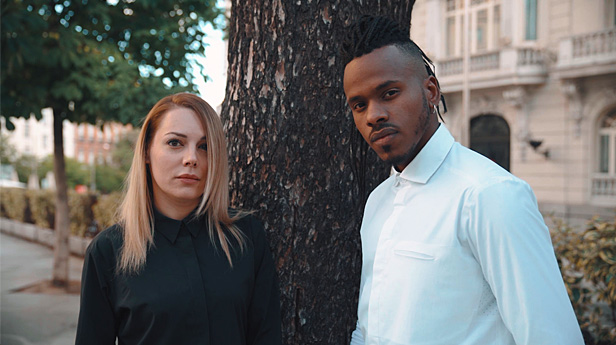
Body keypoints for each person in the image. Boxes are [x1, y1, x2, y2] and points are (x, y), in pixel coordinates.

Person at [340, 15, 583, 345]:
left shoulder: (489, 196)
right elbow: (370, 329)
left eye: (390, 93)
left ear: (431, 91)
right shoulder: (378, 202)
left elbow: (552, 338)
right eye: (359, 104)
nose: (373, 115)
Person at [75, 93, 282, 345]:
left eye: (204, 146)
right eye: (175, 143)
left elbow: (266, 337)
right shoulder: (108, 251)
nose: (191, 158)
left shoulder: (245, 236)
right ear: (147, 152)